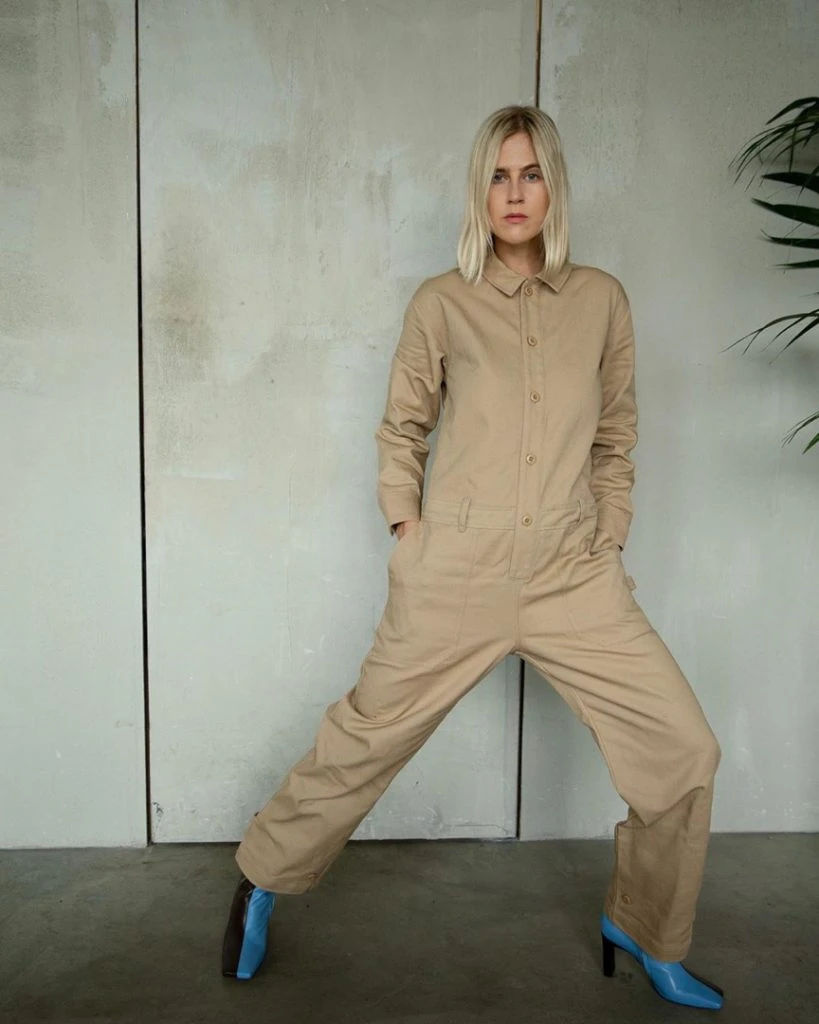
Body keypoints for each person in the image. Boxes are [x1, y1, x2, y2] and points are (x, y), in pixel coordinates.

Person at [221, 105, 724, 1011]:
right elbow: (401, 429)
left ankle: (647, 929)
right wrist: (408, 534)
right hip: (455, 566)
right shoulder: (440, 303)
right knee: (364, 739)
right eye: (497, 175)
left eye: (530, 174)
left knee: (682, 748)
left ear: (553, 185)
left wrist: (607, 535)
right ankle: (260, 877)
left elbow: (615, 436)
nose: (514, 193)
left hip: (572, 570)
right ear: (478, 192)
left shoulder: (602, 300)